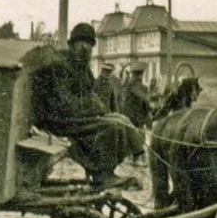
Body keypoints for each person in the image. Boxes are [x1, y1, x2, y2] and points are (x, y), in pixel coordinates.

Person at [32, 22, 144, 189]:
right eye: (81, 43)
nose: (85, 48)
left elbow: (91, 93)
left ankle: (113, 167)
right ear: (72, 44)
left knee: (120, 120)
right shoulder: (59, 65)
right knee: (112, 127)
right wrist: (94, 107)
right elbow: (64, 104)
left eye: (90, 45)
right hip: (58, 121)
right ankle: (102, 175)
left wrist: (99, 108)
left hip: (74, 118)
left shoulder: (82, 67)